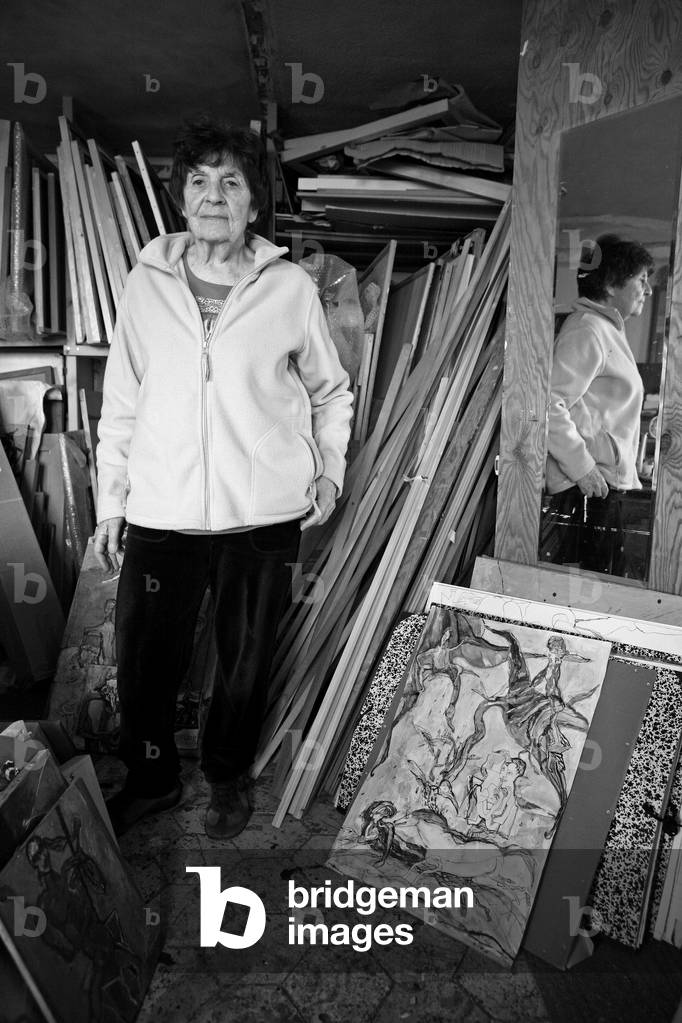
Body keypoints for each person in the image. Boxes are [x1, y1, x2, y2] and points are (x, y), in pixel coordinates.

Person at [93, 117, 353, 838]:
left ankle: (227, 776)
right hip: (162, 511)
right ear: (182, 200)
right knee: (145, 663)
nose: (214, 196)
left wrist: (328, 471)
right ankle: (153, 779)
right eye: (200, 181)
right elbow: (121, 400)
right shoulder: (145, 285)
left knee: (244, 663)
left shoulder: (290, 287)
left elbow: (331, 391)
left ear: (253, 204)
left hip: (261, 515)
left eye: (231, 182)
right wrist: (111, 503)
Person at [540, 234, 654, 574]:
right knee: (584, 600)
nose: (647, 291)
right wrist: (583, 467)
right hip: (586, 491)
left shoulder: (606, 330)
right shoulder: (588, 330)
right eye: (642, 280)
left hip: (600, 487)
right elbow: (547, 403)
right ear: (612, 283)